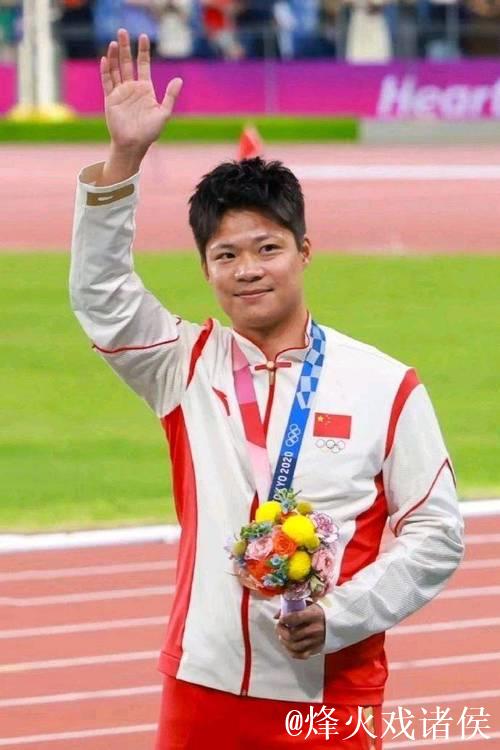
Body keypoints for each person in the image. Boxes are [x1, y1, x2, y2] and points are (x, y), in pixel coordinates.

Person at [69, 29, 464, 749]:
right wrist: (124, 158)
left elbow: (436, 534)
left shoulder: (386, 385)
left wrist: (340, 615)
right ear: (206, 269)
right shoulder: (183, 365)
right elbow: (102, 297)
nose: (247, 269)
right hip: (202, 683)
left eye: (267, 248)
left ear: (304, 252)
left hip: (330, 691)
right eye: (226, 255)